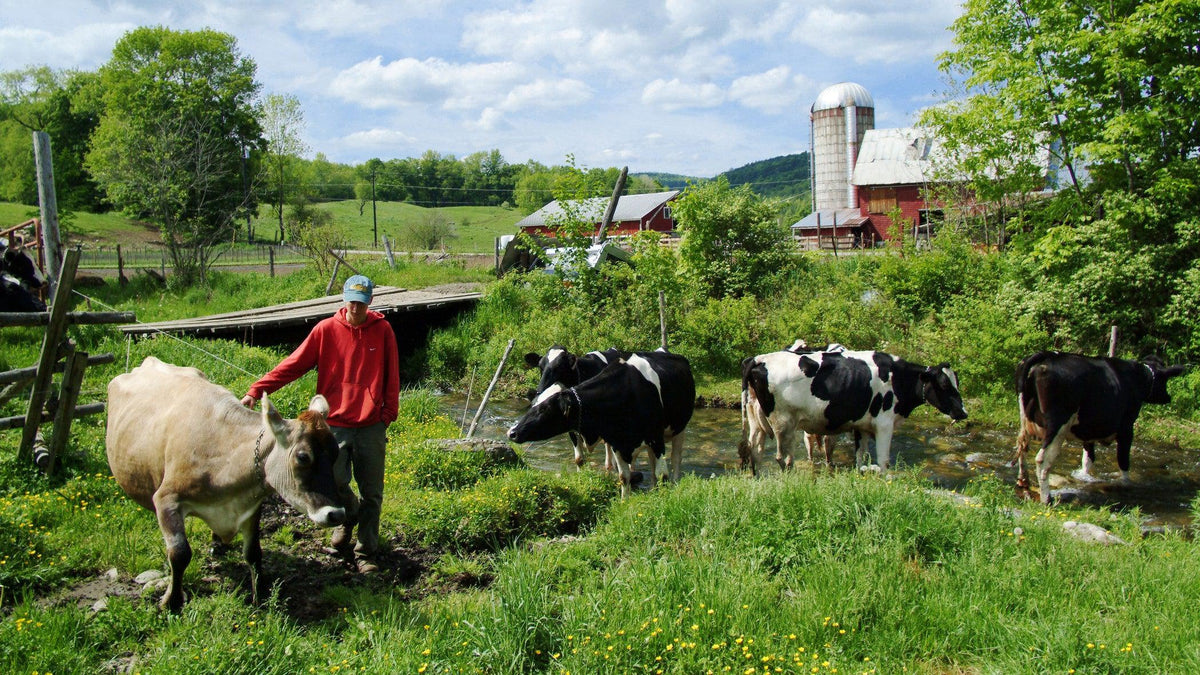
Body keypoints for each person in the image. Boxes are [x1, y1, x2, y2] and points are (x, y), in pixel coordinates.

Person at [241, 274, 399, 573]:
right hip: (333, 426)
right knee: (334, 482)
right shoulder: (326, 330)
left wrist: (387, 414)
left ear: (370, 302)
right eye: (352, 301)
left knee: (372, 492)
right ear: (344, 299)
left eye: (362, 302)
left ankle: (366, 552)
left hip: (370, 425)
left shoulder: (383, 331)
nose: (356, 307)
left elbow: (392, 374)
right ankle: (347, 518)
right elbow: (294, 364)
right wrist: (257, 390)